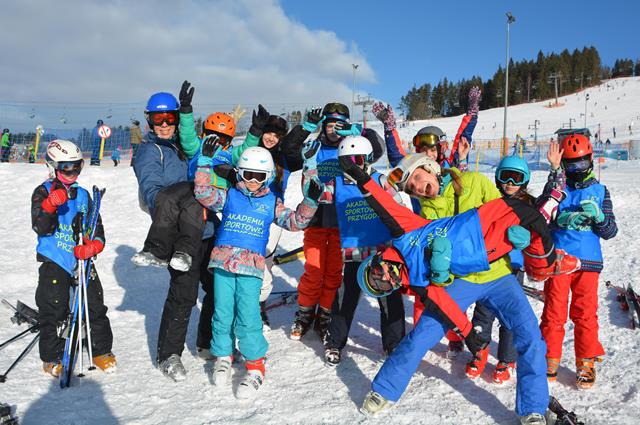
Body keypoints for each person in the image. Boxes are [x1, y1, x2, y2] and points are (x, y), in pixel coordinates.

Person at [338, 155, 580, 424]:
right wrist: (467, 332)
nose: (417, 187)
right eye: (412, 189)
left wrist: (520, 247)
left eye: (417, 178)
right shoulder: (426, 213)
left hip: (498, 273)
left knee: (530, 335)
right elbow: (440, 294)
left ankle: (532, 408)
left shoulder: (474, 181)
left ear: (429, 167)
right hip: (460, 281)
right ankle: (383, 390)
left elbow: (504, 214)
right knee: (422, 335)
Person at [194, 146, 322, 398]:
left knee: (248, 315)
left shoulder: (271, 203)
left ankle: (255, 365)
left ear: (269, 177)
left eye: (259, 176)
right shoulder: (229, 196)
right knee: (222, 312)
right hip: (223, 263)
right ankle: (223, 355)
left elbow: (296, 222)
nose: (253, 181)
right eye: (248, 174)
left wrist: (310, 202)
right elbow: (203, 193)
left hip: (251, 268)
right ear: (239, 173)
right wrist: (204, 162)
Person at [133, 82, 216, 380]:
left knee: (217, 289)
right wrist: (184, 195)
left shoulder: (186, 147)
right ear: (149, 121)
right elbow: (152, 193)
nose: (165, 124)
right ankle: (169, 355)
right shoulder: (150, 151)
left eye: (170, 118)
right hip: (181, 235)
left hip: (208, 229)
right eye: (159, 119)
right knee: (184, 295)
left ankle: (207, 342)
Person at [466, 150, 566, 384]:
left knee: (509, 315)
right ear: (498, 178)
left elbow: (552, 196)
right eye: (505, 177)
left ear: (525, 180)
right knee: (483, 312)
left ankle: (506, 359)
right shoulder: (491, 202)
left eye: (517, 178)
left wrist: (555, 169)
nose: (510, 183)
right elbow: (466, 190)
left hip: (513, 268)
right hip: (489, 266)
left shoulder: (529, 206)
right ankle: (479, 351)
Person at [291, 102, 384, 341]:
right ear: (323, 125)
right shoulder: (314, 146)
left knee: (333, 273)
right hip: (316, 217)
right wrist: (305, 129)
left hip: (342, 220)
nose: (334, 129)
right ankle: (305, 312)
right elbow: (289, 152)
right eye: (330, 124)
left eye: (339, 124)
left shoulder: (351, 146)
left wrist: (358, 131)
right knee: (313, 270)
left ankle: (325, 314)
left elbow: (377, 149)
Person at [313, 136, 405, 365]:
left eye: (357, 160)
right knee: (346, 298)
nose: (352, 167)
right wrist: (309, 168)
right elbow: (314, 194)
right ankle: (334, 342)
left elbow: (399, 209)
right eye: (346, 161)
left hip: (383, 251)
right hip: (353, 253)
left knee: (389, 297)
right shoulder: (336, 184)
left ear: (368, 159)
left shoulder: (380, 180)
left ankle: (394, 344)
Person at [31, 140, 116, 377]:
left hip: (82, 260)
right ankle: (53, 356)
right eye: (66, 167)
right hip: (55, 259)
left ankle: (101, 350)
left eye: (77, 166)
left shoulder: (83, 195)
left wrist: (95, 245)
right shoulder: (42, 192)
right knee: (54, 308)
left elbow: (95, 226)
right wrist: (49, 206)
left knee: (95, 305)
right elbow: (40, 227)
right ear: (53, 166)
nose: (72, 172)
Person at [541, 134, 618, 390]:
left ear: (591, 160)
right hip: (560, 261)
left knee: (585, 313)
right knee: (554, 312)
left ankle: (586, 361)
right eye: (571, 165)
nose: (577, 169)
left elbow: (610, 231)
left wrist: (598, 218)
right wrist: (559, 220)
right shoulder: (559, 187)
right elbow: (542, 214)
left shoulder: (600, 191)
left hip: (588, 262)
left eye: (582, 163)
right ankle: (549, 359)